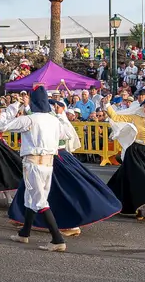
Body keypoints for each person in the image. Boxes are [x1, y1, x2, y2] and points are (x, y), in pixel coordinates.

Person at [0, 84, 75, 252]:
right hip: (48, 164)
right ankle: (24, 233)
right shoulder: (54, 120)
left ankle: (57, 238)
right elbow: (67, 134)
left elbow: (1, 126)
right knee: (31, 197)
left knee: (39, 200)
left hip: (33, 163)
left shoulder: (29, 119)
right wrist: (60, 117)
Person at [8, 99, 121, 236]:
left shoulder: (51, 119)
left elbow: (66, 134)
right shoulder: (52, 119)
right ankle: (24, 221)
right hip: (51, 157)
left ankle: (62, 229)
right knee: (33, 190)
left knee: (57, 192)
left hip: (54, 157)